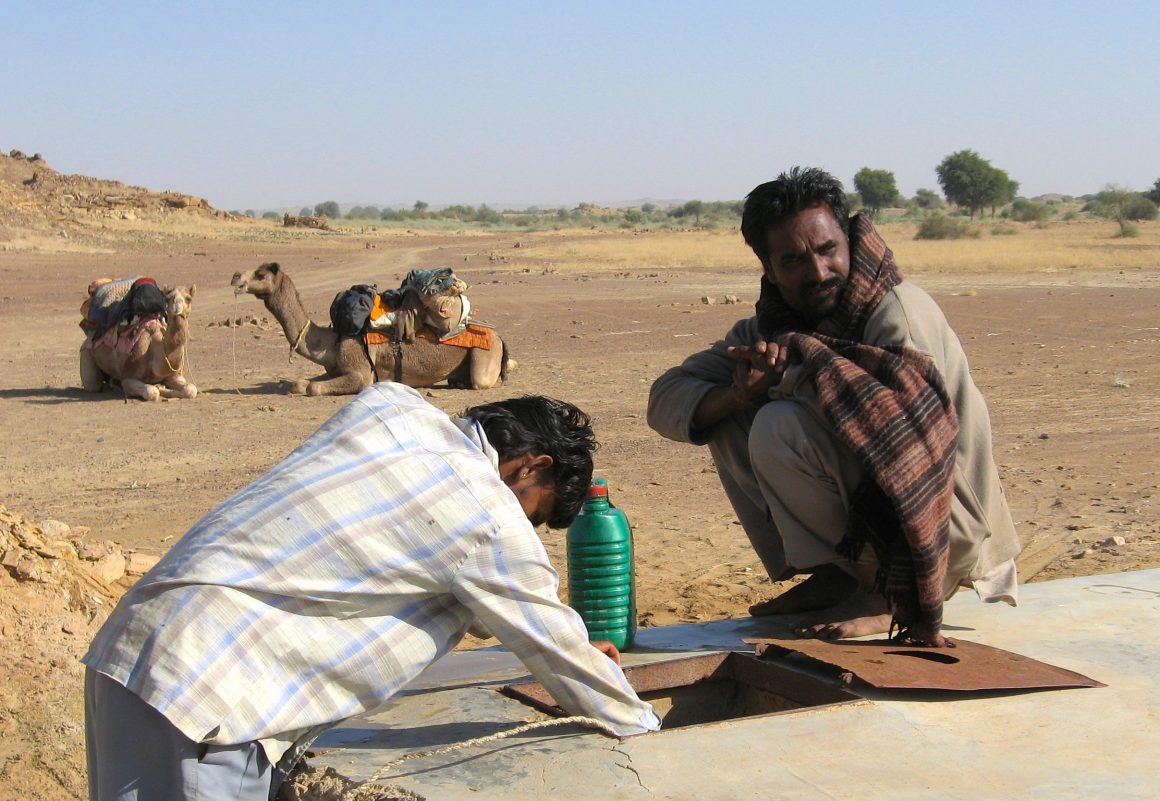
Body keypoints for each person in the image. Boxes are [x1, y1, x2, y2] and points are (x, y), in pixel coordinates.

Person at [84, 382, 660, 801]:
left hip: (135, 652)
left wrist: (571, 649)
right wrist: (647, 732)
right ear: (531, 467)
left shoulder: (393, 409)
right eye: (536, 514)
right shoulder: (486, 512)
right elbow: (548, 641)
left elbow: (402, 559)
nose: (526, 529)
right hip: (215, 698)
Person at [647, 166, 1021, 647]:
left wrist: (785, 380)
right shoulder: (773, 328)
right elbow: (665, 399)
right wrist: (740, 393)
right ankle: (837, 574)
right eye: (794, 260)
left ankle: (886, 591)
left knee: (778, 423)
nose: (818, 273)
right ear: (769, 269)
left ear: (848, 240)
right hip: (885, 520)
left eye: (828, 250)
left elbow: (905, 432)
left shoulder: (897, 311)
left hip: (950, 527)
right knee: (729, 414)